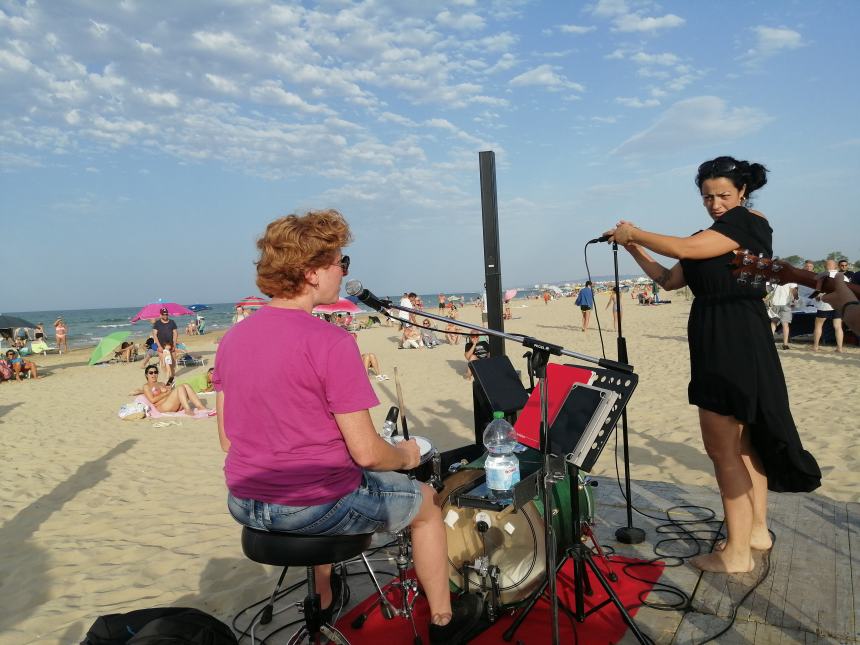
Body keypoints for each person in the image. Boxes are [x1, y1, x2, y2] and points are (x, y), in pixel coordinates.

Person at [213, 209, 483, 642]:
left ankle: (323, 597)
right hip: (309, 505)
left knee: (331, 479)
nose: (344, 271)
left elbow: (228, 438)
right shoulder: (332, 342)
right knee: (428, 503)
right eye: (341, 262)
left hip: (244, 501)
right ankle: (445, 620)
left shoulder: (231, 339)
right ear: (312, 272)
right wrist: (408, 454)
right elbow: (369, 453)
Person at [604, 155, 821, 574]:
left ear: (741, 192)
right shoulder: (712, 235)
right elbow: (669, 279)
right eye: (707, 197)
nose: (716, 204)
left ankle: (736, 553)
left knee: (722, 450)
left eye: (723, 195)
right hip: (724, 334)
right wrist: (632, 247)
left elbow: (684, 248)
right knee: (743, 443)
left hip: (732, 337)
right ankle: (755, 532)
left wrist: (636, 230)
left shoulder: (748, 221)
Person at [142, 365, 210, 414]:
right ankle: (187, 409)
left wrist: (170, 390)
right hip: (162, 407)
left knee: (186, 385)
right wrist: (166, 393)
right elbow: (152, 400)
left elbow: (169, 394)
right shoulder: (146, 386)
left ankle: (200, 406)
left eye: (155, 372)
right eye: (151, 373)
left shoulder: (161, 383)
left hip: (172, 404)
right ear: (146, 375)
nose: (153, 374)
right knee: (180, 387)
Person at [813, 260, 846, 352]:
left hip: (824, 304)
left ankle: (815, 346)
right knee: (838, 326)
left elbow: (816, 291)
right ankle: (839, 348)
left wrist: (817, 296)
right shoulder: (842, 276)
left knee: (819, 325)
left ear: (824, 266)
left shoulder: (820, 276)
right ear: (836, 266)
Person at [152, 307, 179, 385]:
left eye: (166, 314)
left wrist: (174, 344)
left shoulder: (172, 322)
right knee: (163, 363)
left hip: (171, 346)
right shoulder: (157, 323)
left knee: (173, 363)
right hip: (161, 347)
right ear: (161, 315)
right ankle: (167, 375)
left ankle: (172, 376)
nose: (165, 316)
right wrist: (159, 346)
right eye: (163, 314)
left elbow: (175, 333)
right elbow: (154, 334)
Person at [768, 281, 797, 350]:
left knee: (773, 323)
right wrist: (795, 299)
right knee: (785, 324)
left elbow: (769, 289)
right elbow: (794, 290)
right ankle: (785, 344)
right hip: (785, 303)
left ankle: (770, 342)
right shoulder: (791, 278)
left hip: (774, 303)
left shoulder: (775, 277)